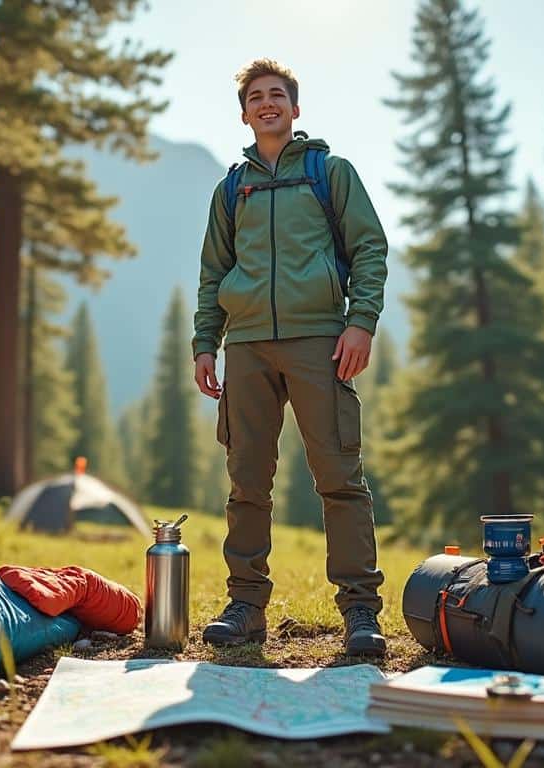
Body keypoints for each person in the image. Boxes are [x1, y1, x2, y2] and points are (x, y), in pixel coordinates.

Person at [191, 58, 390, 656]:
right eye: (256, 97)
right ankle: (246, 607)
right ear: (245, 112)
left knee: (339, 477)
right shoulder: (231, 187)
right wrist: (206, 342)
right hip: (246, 345)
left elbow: (369, 249)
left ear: (295, 109)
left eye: (277, 95)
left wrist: (360, 324)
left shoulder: (331, 173)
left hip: (319, 340)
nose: (267, 103)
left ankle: (359, 610)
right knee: (246, 480)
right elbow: (212, 274)